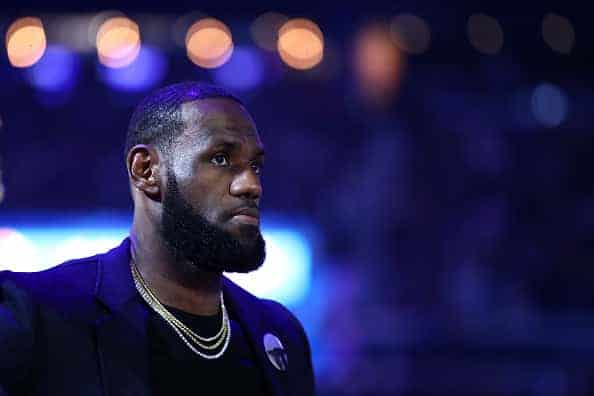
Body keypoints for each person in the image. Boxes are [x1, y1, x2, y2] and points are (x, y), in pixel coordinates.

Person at [0, 82, 315, 395]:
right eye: (221, 158)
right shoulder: (37, 314)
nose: (251, 185)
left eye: (256, 166)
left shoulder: (280, 333)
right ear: (146, 170)